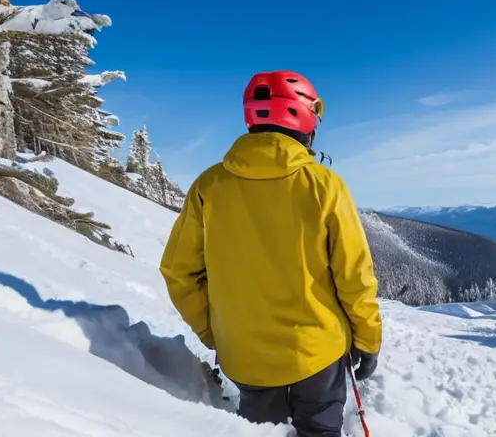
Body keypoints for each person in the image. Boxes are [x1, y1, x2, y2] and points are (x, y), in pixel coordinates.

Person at [159, 70, 382, 436]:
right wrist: (368, 341)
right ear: (304, 117)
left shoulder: (209, 186)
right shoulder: (324, 186)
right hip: (317, 354)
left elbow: (178, 273)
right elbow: (355, 278)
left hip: (245, 357)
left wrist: (216, 333)